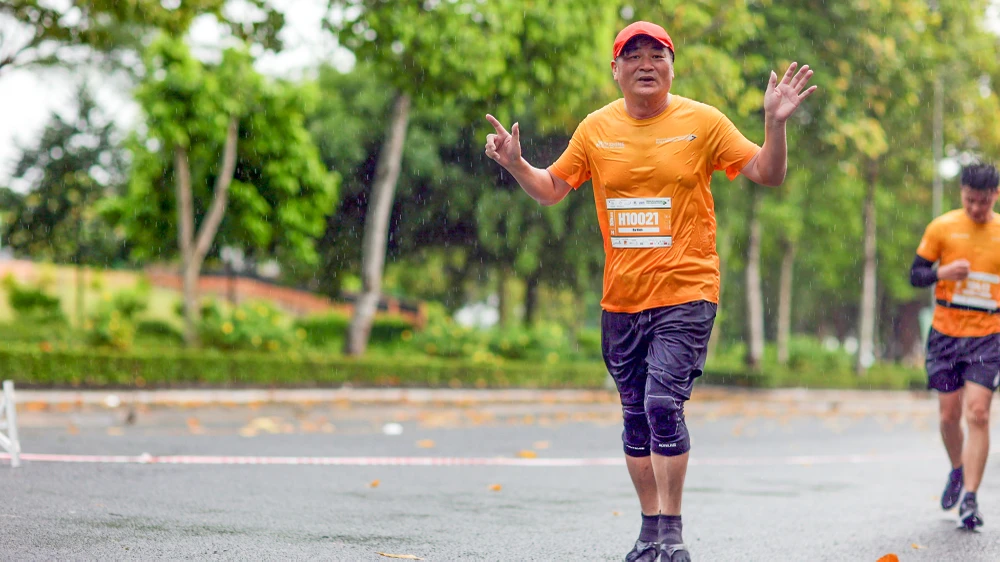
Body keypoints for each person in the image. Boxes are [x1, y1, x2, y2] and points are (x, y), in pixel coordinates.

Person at [484, 20, 815, 562]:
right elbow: (551, 189)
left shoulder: (703, 122)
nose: (645, 64)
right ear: (615, 70)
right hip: (622, 299)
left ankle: (674, 532)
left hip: (688, 289)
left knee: (663, 402)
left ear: (672, 66)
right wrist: (518, 163)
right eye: (632, 55)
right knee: (635, 416)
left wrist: (774, 126)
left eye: (656, 55)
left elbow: (767, 173)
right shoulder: (595, 129)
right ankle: (649, 529)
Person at [910, 163, 1000, 531]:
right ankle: (958, 470)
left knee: (978, 413)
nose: (975, 208)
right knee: (949, 416)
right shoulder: (943, 227)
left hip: (988, 334)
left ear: (994, 195)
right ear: (961, 193)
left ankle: (971, 499)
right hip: (946, 333)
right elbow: (915, 275)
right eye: (969, 200)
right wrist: (940, 274)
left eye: (982, 201)